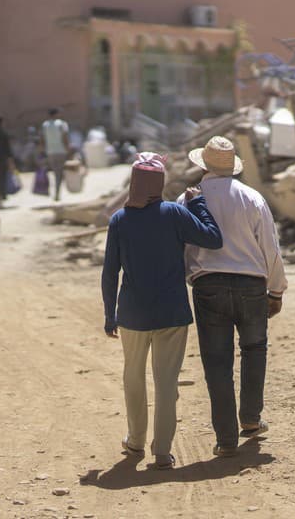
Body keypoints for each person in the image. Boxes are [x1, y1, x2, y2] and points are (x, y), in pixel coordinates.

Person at [101, 153, 223, 470]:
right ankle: (163, 451)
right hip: (172, 313)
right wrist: (197, 205)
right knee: (167, 383)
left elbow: (110, 272)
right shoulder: (173, 213)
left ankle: (135, 441)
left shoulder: (119, 220)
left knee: (133, 378)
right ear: (160, 183)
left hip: (131, 314)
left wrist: (108, 314)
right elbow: (213, 238)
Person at [179, 136, 287, 458]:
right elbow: (270, 247)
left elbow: (182, 247)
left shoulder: (188, 200)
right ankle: (251, 420)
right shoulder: (251, 197)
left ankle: (226, 439)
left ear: (203, 164)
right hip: (252, 285)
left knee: (217, 362)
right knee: (255, 351)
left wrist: (192, 276)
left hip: (208, 285)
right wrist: (276, 289)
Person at [42, 109, 70, 201]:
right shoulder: (62, 124)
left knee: (55, 172)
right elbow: (65, 137)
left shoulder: (45, 125)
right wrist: (68, 149)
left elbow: (42, 139)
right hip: (61, 151)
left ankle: (55, 191)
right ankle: (57, 193)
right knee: (59, 173)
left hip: (50, 152)